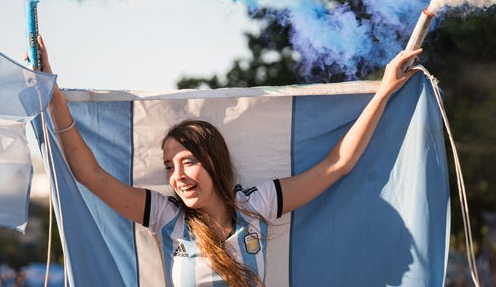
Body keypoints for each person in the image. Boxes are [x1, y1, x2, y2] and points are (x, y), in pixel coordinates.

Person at [35, 35, 423, 287]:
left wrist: (384, 91)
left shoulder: (257, 206)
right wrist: (53, 97)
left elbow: (336, 165)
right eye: (169, 166)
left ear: (215, 162)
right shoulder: (166, 217)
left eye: (188, 162)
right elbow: (89, 174)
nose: (177, 176)